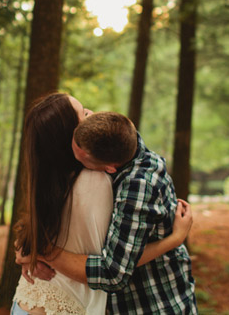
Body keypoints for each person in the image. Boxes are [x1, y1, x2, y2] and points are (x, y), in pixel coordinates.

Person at [11, 93, 192, 315]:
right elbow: (114, 268)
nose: (93, 115)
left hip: (26, 303)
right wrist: (32, 247)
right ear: (74, 140)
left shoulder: (50, 178)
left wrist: (38, 249)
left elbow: (114, 265)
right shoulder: (94, 182)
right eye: (84, 114)